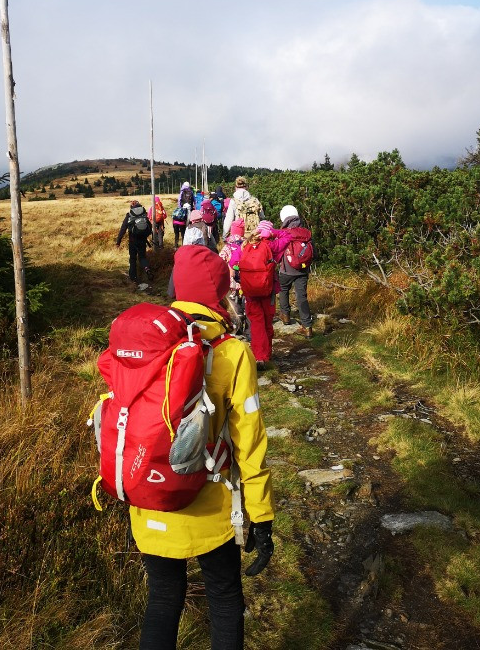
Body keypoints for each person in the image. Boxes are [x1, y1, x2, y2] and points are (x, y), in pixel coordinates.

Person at [131, 245, 275, 650]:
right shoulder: (231, 352)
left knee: (162, 599)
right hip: (210, 507)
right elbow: (250, 442)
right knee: (225, 599)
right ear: (220, 294)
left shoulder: (148, 345)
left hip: (150, 499)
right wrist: (261, 516)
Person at [237, 221, 276, 368]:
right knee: (267, 322)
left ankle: (259, 356)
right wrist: (275, 234)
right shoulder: (271, 246)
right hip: (268, 290)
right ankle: (267, 355)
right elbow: (287, 238)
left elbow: (234, 261)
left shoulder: (244, 246)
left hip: (250, 292)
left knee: (256, 323)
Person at [272, 205, 314, 338]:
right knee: (302, 296)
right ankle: (307, 327)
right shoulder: (306, 232)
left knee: (284, 289)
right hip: (302, 269)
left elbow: (277, 250)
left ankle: (285, 316)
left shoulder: (283, 233)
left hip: (287, 269)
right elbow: (314, 251)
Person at [218, 217, 247, 337]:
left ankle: (236, 328)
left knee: (234, 306)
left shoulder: (228, 246)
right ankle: (247, 328)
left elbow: (220, 261)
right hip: (244, 281)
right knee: (244, 304)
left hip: (231, 281)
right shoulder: (246, 245)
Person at [116, 200, 152, 285]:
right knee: (142, 257)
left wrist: (118, 241)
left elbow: (123, 229)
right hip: (142, 240)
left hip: (132, 241)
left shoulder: (129, 215)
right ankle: (147, 269)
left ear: (131, 208)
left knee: (132, 259)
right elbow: (149, 227)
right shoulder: (143, 215)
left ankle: (133, 278)